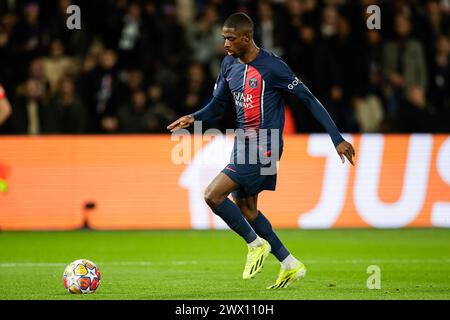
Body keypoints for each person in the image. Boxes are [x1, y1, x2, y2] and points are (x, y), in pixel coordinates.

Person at [167, 12, 355, 289]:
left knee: (212, 194)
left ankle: (256, 245)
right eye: (224, 38)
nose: (226, 43)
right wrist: (194, 117)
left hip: (265, 144)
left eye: (231, 38)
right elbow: (218, 106)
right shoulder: (228, 64)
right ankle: (290, 264)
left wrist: (336, 137)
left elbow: (309, 99)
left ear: (247, 37)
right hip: (242, 142)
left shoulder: (273, 67)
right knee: (248, 209)